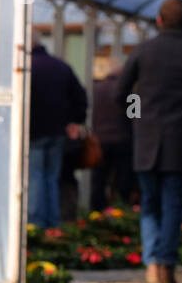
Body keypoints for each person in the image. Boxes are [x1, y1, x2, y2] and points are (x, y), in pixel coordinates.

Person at [115, 0, 182, 283]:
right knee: (173, 204)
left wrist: (138, 114)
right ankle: (166, 263)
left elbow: (122, 94)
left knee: (149, 204)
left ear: (159, 20)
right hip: (180, 142)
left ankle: (152, 263)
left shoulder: (143, 51)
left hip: (146, 140)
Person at [28, 36, 87, 229]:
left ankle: (36, 223)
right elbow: (80, 97)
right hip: (57, 132)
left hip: (33, 131)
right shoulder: (61, 67)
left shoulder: (27, 68)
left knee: (35, 176)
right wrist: (75, 120)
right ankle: (53, 222)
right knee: (52, 178)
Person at [90, 54, 134, 211]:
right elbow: (135, 118)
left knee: (99, 180)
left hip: (101, 140)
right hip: (124, 140)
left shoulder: (96, 89)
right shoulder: (132, 92)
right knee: (123, 180)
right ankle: (123, 210)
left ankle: (96, 213)